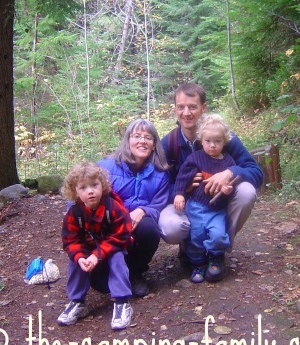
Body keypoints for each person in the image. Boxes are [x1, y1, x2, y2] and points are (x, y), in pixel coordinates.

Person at [160, 83, 264, 267]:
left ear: (203, 108)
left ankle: (218, 249)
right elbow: (156, 187)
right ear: (175, 109)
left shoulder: (222, 137)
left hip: (218, 203)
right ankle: (189, 245)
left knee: (246, 192)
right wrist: (183, 189)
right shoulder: (169, 143)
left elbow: (256, 172)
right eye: (181, 107)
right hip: (184, 204)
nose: (186, 113)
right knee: (171, 227)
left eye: (192, 106)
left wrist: (230, 172)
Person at [98, 118, 169, 297]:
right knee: (100, 284)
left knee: (149, 228)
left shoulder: (160, 173)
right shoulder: (105, 167)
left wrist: (144, 210)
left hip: (136, 226)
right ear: (128, 140)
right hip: (107, 226)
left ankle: (134, 272)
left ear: (154, 145)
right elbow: (81, 193)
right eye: (137, 136)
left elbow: (160, 203)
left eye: (148, 137)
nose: (142, 141)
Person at [58, 161, 133, 330]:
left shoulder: (113, 208)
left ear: (103, 185)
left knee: (117, 257)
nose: (90, 191)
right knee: (75, 260)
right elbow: (70, 241)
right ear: (75, 191)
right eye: (83, 188)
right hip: (89, 252)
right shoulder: (74, 214)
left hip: (112, 248)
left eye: (94, 185)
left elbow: (122, 235)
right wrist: (80, 257)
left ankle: (122, 302)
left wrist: (98, 254)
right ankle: (77, 301)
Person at [173, 114, 237, 283]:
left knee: (218, 234)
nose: (212, 145)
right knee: (197, 236)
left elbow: (231, 185)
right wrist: (179, 193)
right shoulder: (195, 158)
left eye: (217, 141)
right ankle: (198, 263)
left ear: (224, 141)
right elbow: (182, 177)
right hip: (196, 207)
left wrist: (227, 189)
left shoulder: (228, 161)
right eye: (208, 141)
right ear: (201, 140)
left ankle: (215, 258)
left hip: (217, 209)